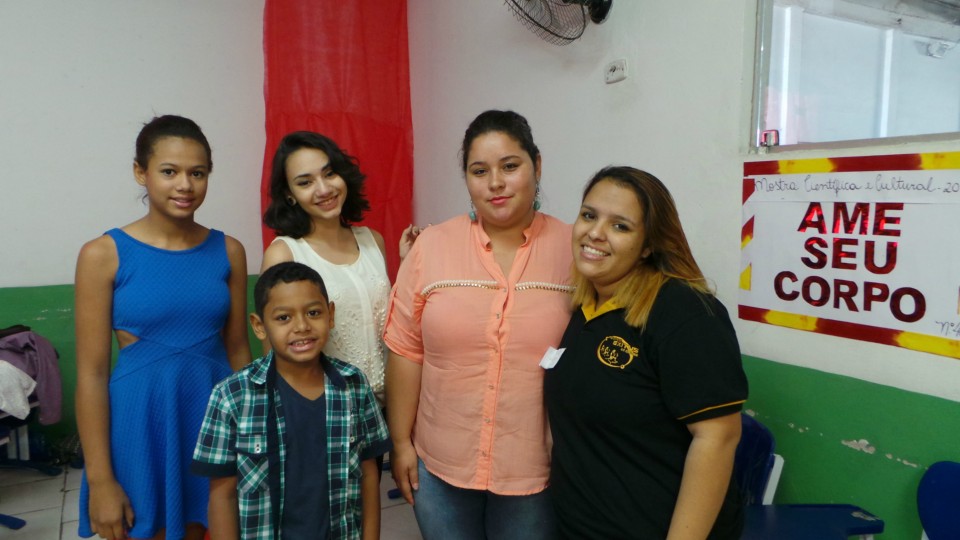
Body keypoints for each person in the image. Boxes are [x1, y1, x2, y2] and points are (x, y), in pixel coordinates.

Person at [384, 110, 573, 539]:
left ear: (536, 166)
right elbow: (406, 349)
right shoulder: (432, 246)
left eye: (510, 166)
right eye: (479, 171)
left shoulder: (572, 249)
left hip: (535, 468)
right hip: (439, 463)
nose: (496, 183)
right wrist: (400, 444)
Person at [543, 166, 748, 539]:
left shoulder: (683, 312)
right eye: (589, 215)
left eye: (620, 226)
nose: (595, 233)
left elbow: (718, 439)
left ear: (649, 245)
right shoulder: (587, 307)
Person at [74, 115, 251, 540]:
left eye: (197, 173)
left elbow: (239, 351)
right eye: (169, 172)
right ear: (141, 172)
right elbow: (92, 376)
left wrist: (255, 433)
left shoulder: (229, 250)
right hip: (140, 427)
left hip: (213, 421)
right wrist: (100, 481)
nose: (184, 185)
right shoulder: (103, 254)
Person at [191, 261, 391, 540]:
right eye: (283, 318)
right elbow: (222, 495)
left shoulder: (354, 385)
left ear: (330, 315)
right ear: (259, 326)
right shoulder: (231, 396)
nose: (302, 326)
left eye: (313, 312)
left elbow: (370, 476)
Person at [261, 131, 420, 405]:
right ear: (290, 195)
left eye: (330, 173)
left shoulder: (373, 241)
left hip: (388, 404)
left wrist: (409, 266)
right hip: (326, 410)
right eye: (305, 182)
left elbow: (391, 324)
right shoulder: (284, 253)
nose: (324, 189)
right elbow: (274, 352)